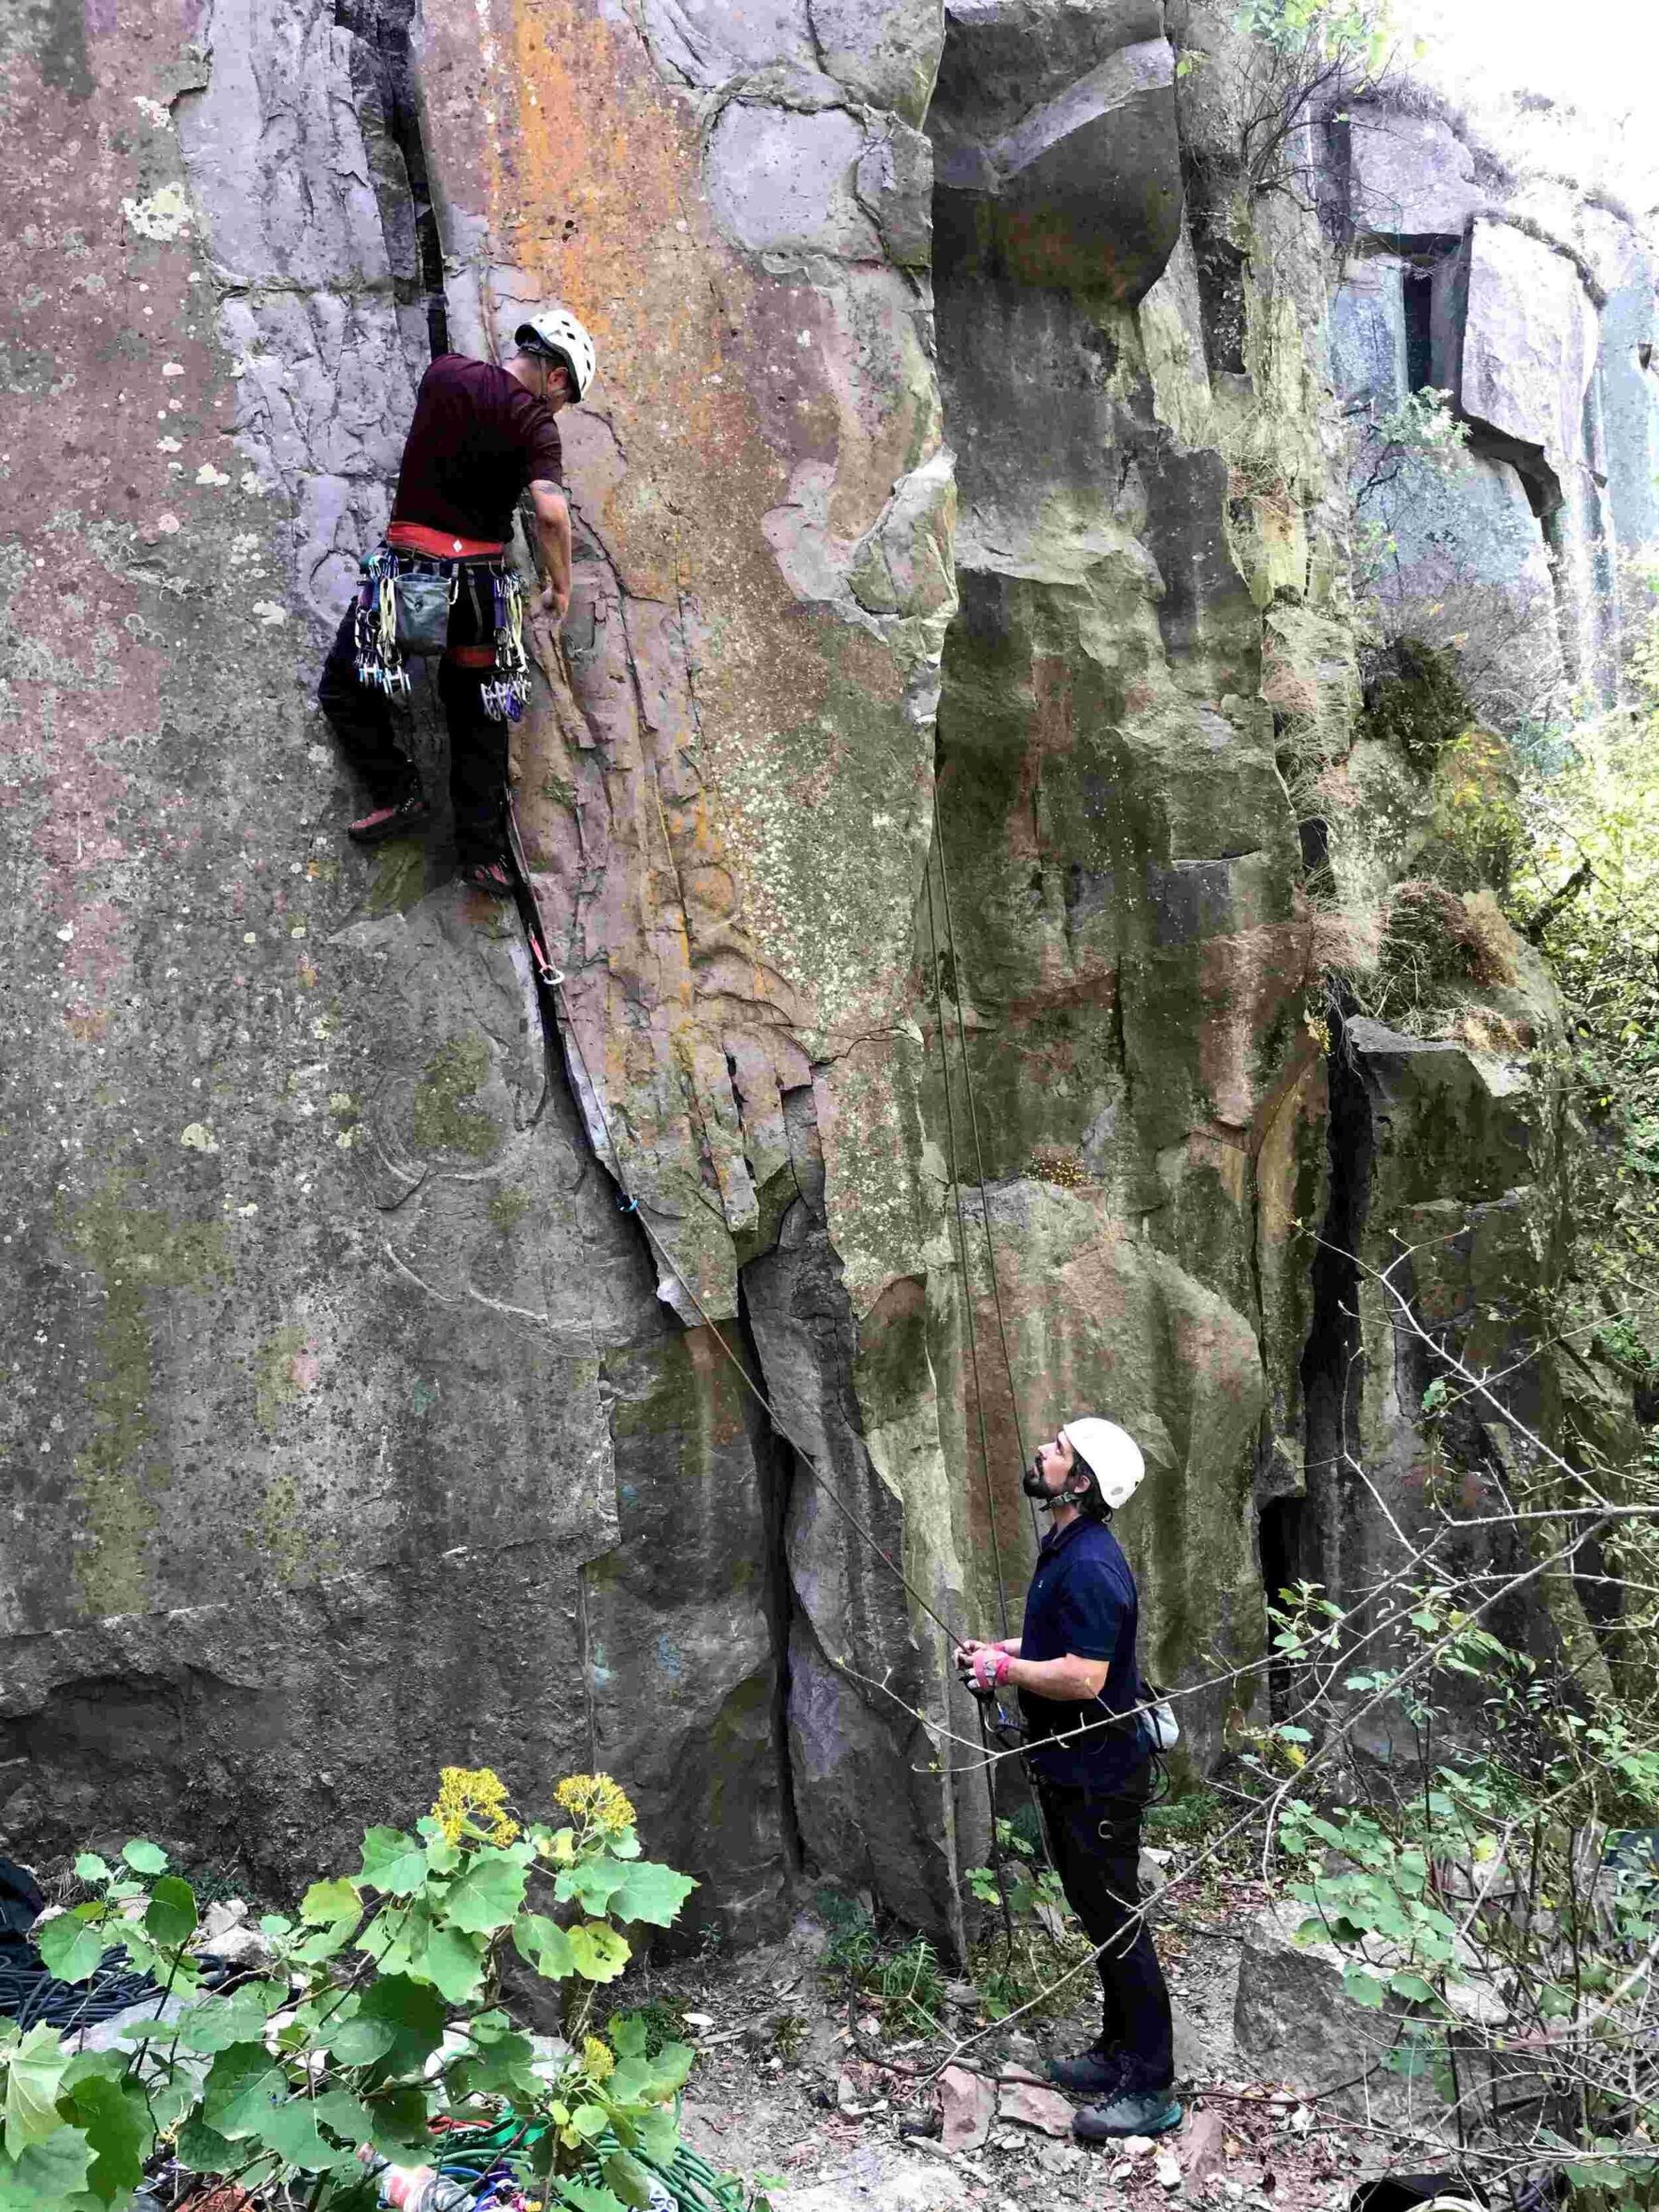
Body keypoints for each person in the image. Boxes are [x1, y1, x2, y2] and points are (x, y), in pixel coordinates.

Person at [317, 307, 596, 896]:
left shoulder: (443, 374)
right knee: (480, 715)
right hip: (478, 593)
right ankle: (482, 854)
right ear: (558, 378)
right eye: (564, 399)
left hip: (407, 576)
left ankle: (398, 791)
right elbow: (549, 511)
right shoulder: (536, 425)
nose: (557, 412)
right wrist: (560, 585)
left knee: (345, 685)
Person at [957, 1418, 1180, 2141]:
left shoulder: (1090, 1563)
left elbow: (1085, 1676)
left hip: (1100, 1774)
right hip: (1073, 1770)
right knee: (1099, 1915)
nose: (1041, 1453)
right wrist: (1002, 1650)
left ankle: (1152, 2087)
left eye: (1056, 1450)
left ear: (1079, 1482)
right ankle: (1118, 2051)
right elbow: (1062, 1646)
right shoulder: (1065, 1548)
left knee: (1117, 1920)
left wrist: (1004, 1671)